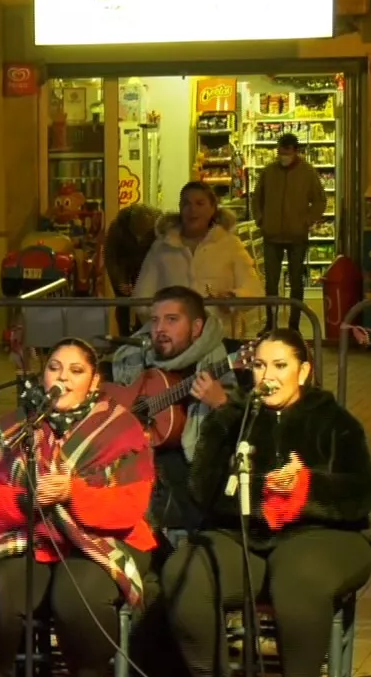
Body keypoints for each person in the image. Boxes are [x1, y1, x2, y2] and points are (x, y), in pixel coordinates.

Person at [162, 330, 371, 677]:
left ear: (303, 371)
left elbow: (360, 495)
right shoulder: (233, 420)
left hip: (323, 535)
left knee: (298, 577)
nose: (268, 376)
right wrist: (260, 491)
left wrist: (306, 485)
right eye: (260, 366)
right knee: (184, 572)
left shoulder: (335, 421)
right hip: (244, 535)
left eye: (280, 366)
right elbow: (202, 489)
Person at [0, 339, 155, 677]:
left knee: (76, 596)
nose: (62, 378)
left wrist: (72, 493)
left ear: (94, 381)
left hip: (101, 539)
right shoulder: (17, 426)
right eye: (54, 368)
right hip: (30, 534)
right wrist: (25, 499)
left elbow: (130, 506)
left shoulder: (121, 427)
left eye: (76, 371)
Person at [110, 286, 234, 553]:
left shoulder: (217, 365)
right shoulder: (136, 357)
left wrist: (221, 404)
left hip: (188, 474)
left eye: (172, 320)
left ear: (196, 327)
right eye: (155, 320)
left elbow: (241, 428)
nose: (160, 329)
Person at [134, 182, 262, 339]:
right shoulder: (162, 248)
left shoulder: (230, 245)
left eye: (200, 203)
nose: (192, 209)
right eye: (186, 204)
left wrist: (232, 299)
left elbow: (254, 290)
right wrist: (167, 316)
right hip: (174, 341)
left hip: (219, 337)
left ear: (212, 208)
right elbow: (141, 298)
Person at [252, 134, 328, 332]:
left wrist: (308, 220)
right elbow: (257, 197)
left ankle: (294, 325)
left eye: (286, 152)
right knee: (271, 283)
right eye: (280, 152)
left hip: (297, 236)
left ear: (295, 151)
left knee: (296, 282)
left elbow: (320, 200)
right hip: (271, 235)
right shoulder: (269, 171)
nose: (283, 156)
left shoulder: (307, 172)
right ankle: (270, 323)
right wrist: (260, 219)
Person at [102, 204, 161, 338]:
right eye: (136, 234)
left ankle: (142, 332)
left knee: (144, 300)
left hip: (145, 263)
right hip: (124, 263)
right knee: (122, 302)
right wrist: (119, 281)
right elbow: (111, 257)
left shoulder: (159, 228)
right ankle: (124, 335)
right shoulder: (117, 228)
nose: (139, 239)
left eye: (143, 236)